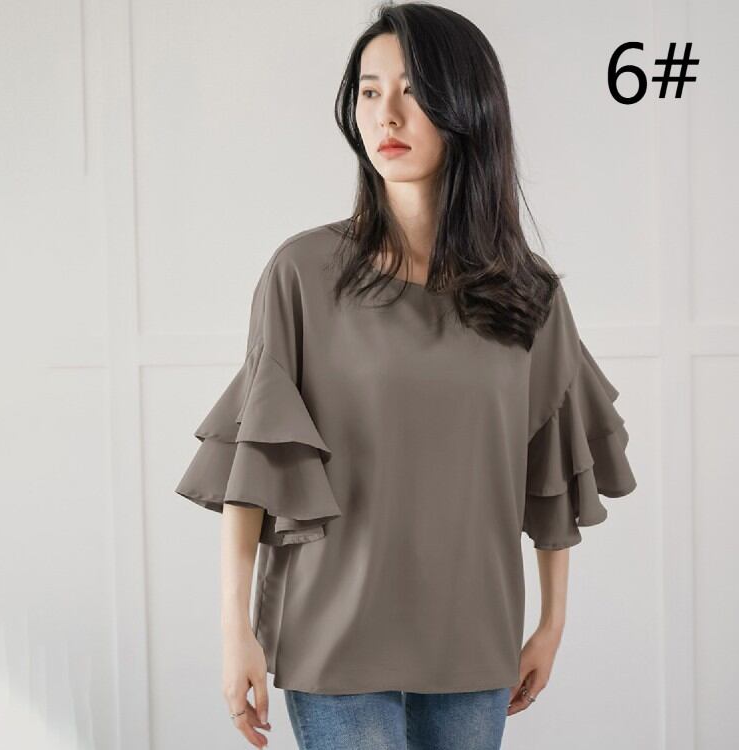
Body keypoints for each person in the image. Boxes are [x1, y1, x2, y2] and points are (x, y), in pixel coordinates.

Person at [174, 3, 638, 749]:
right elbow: (254, 467)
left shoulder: (530, 294)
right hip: (332, 640)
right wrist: (237, 633)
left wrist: (552, 623)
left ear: (467, 107)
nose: (386, 114)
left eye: (413, 90)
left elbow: (551, 470)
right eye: (369, 91)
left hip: (474, 639)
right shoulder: (302, 273)